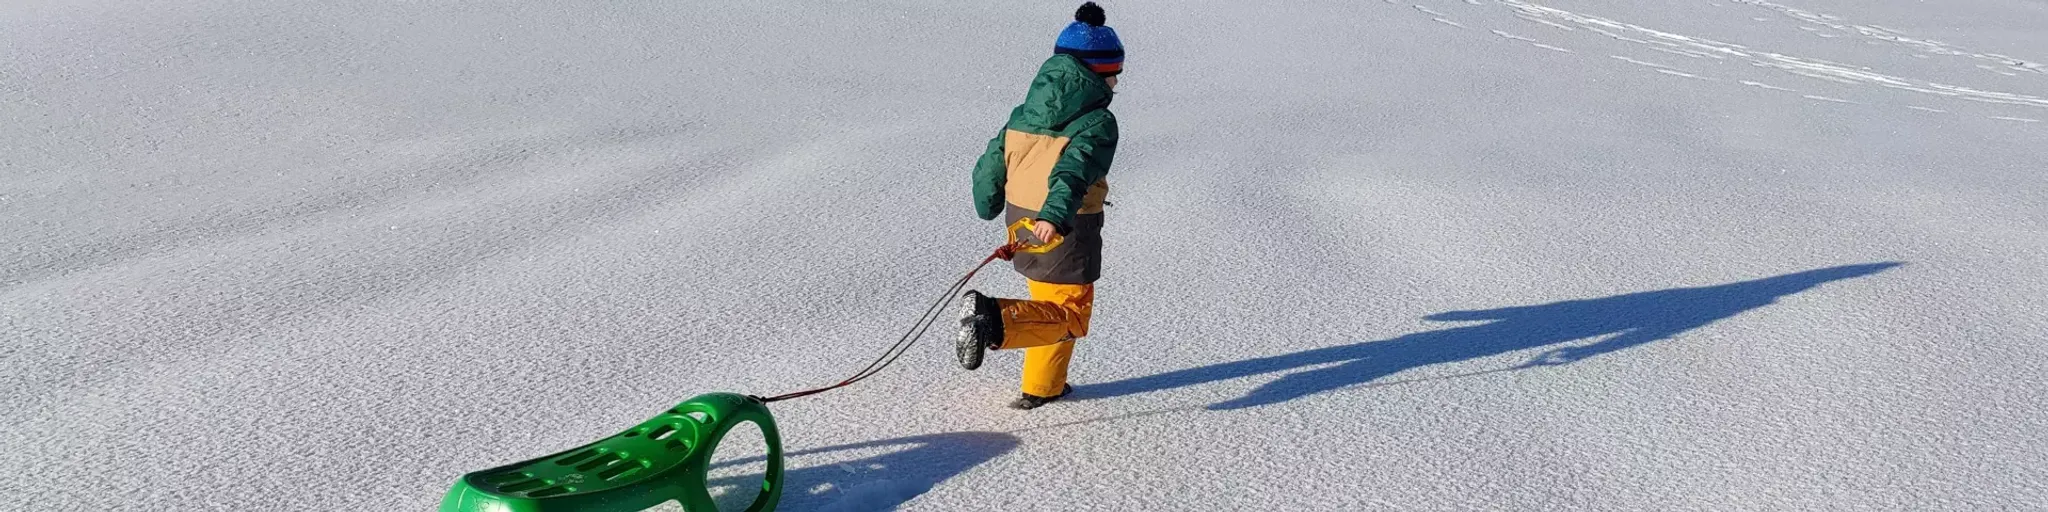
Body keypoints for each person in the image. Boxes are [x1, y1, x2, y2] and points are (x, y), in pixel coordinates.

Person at [957, 2, 1123, 410]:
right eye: (1116, 75)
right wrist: (1053, 216)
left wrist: (988, 203)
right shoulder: (1097, 122)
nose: (1118, 83)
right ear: (1098, 74)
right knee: (1070, 313)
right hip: (1065, 225)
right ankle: (993, 320)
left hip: (1020, 221)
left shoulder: (1023, 114)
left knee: (1049, 305)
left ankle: (1043, 387)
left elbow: (992, 162)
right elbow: (1072, 171)